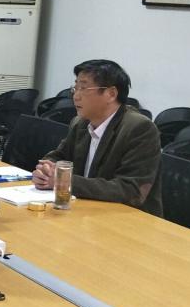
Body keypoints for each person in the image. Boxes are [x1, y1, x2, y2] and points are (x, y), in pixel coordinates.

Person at [32, 59, 163, 215]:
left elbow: (131, 190)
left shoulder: (139, 128)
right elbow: (59, 156)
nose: (76, 96)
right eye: (75, 88)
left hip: (128, 219)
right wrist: (46, 170)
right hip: (87, 211)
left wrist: (64, 181)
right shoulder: (80, 123)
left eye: (83, 88)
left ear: (111, 94)